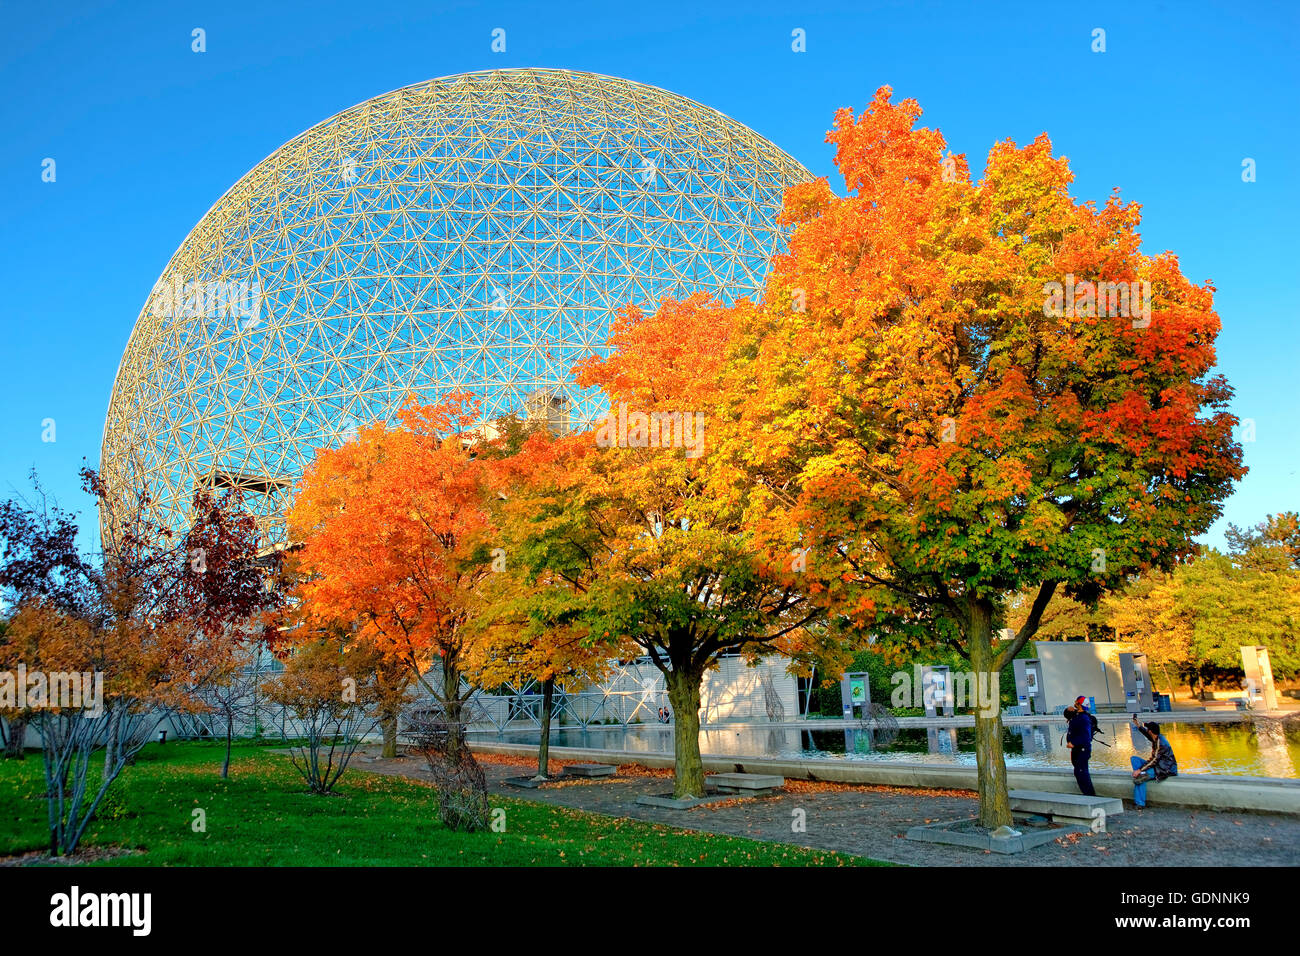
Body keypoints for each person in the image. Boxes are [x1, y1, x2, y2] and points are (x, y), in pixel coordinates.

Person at [1130, 715, 1178, 808]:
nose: (1147, 730)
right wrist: (1138, 725)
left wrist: (1139, 770)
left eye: (1148, 729)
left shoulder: (1161, 743)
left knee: (1140, 777)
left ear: (1151, 731)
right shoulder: (1156, 737)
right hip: (1157, 765)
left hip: (1163, 769)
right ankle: (1141, 774)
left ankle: (1140, 803)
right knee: (1134, 759)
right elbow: (1147, 734)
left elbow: (1154, 760)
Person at [1065, 704, 1096, 796]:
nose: (1072, 706)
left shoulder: (1083, 718)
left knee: (1081, 771)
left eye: (1075, 705)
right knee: (1078, 771)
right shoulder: (1075, 718)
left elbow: (1086, 737)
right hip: (1077, 750)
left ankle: (1090, 795)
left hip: (1082, 749)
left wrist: (1073, 742)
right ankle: (1087, 794)